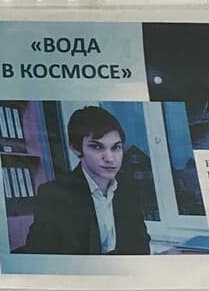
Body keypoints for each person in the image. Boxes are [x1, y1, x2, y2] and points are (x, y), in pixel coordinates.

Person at [24, 106, 151, 255]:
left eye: (116, 147)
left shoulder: (127, 186)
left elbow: (140, 244)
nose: (110, 158)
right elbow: (43, 256)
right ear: (76, 149)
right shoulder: (55, 195)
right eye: (97, 147)